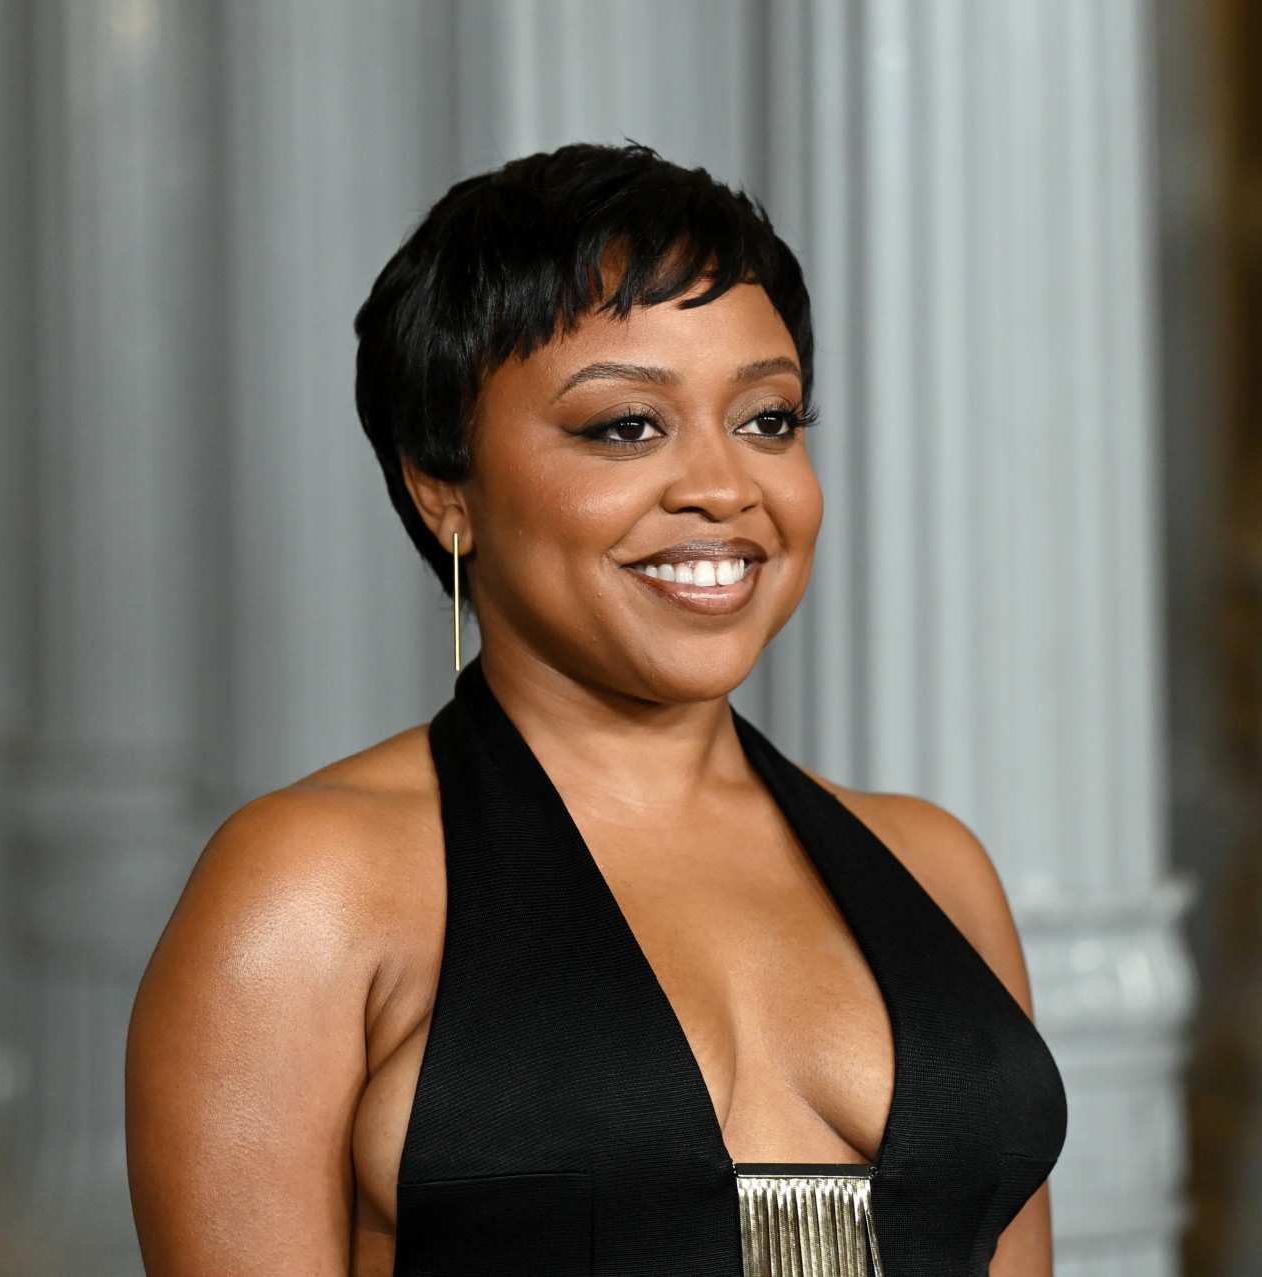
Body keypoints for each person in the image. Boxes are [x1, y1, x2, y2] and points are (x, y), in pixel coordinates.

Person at [125, 142, 1066, 1277]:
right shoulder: (310, 887)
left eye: (767, 418)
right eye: (625, 425)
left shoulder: (935, 868)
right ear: (443, 487)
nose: (723, 487)